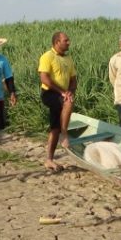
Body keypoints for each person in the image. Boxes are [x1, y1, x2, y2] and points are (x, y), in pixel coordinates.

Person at [38, 31, 76, 171]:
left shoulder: (68, 59)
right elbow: (45, 79)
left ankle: (49, 160)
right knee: (68, 102)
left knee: (54, 127)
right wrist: (62, 92)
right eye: (65, 40)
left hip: (62, 95)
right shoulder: (47, 56)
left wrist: (70, 91)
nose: (68, 42)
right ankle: (65, 134)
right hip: (49, 93)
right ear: (56, 42)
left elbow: (73, 80)